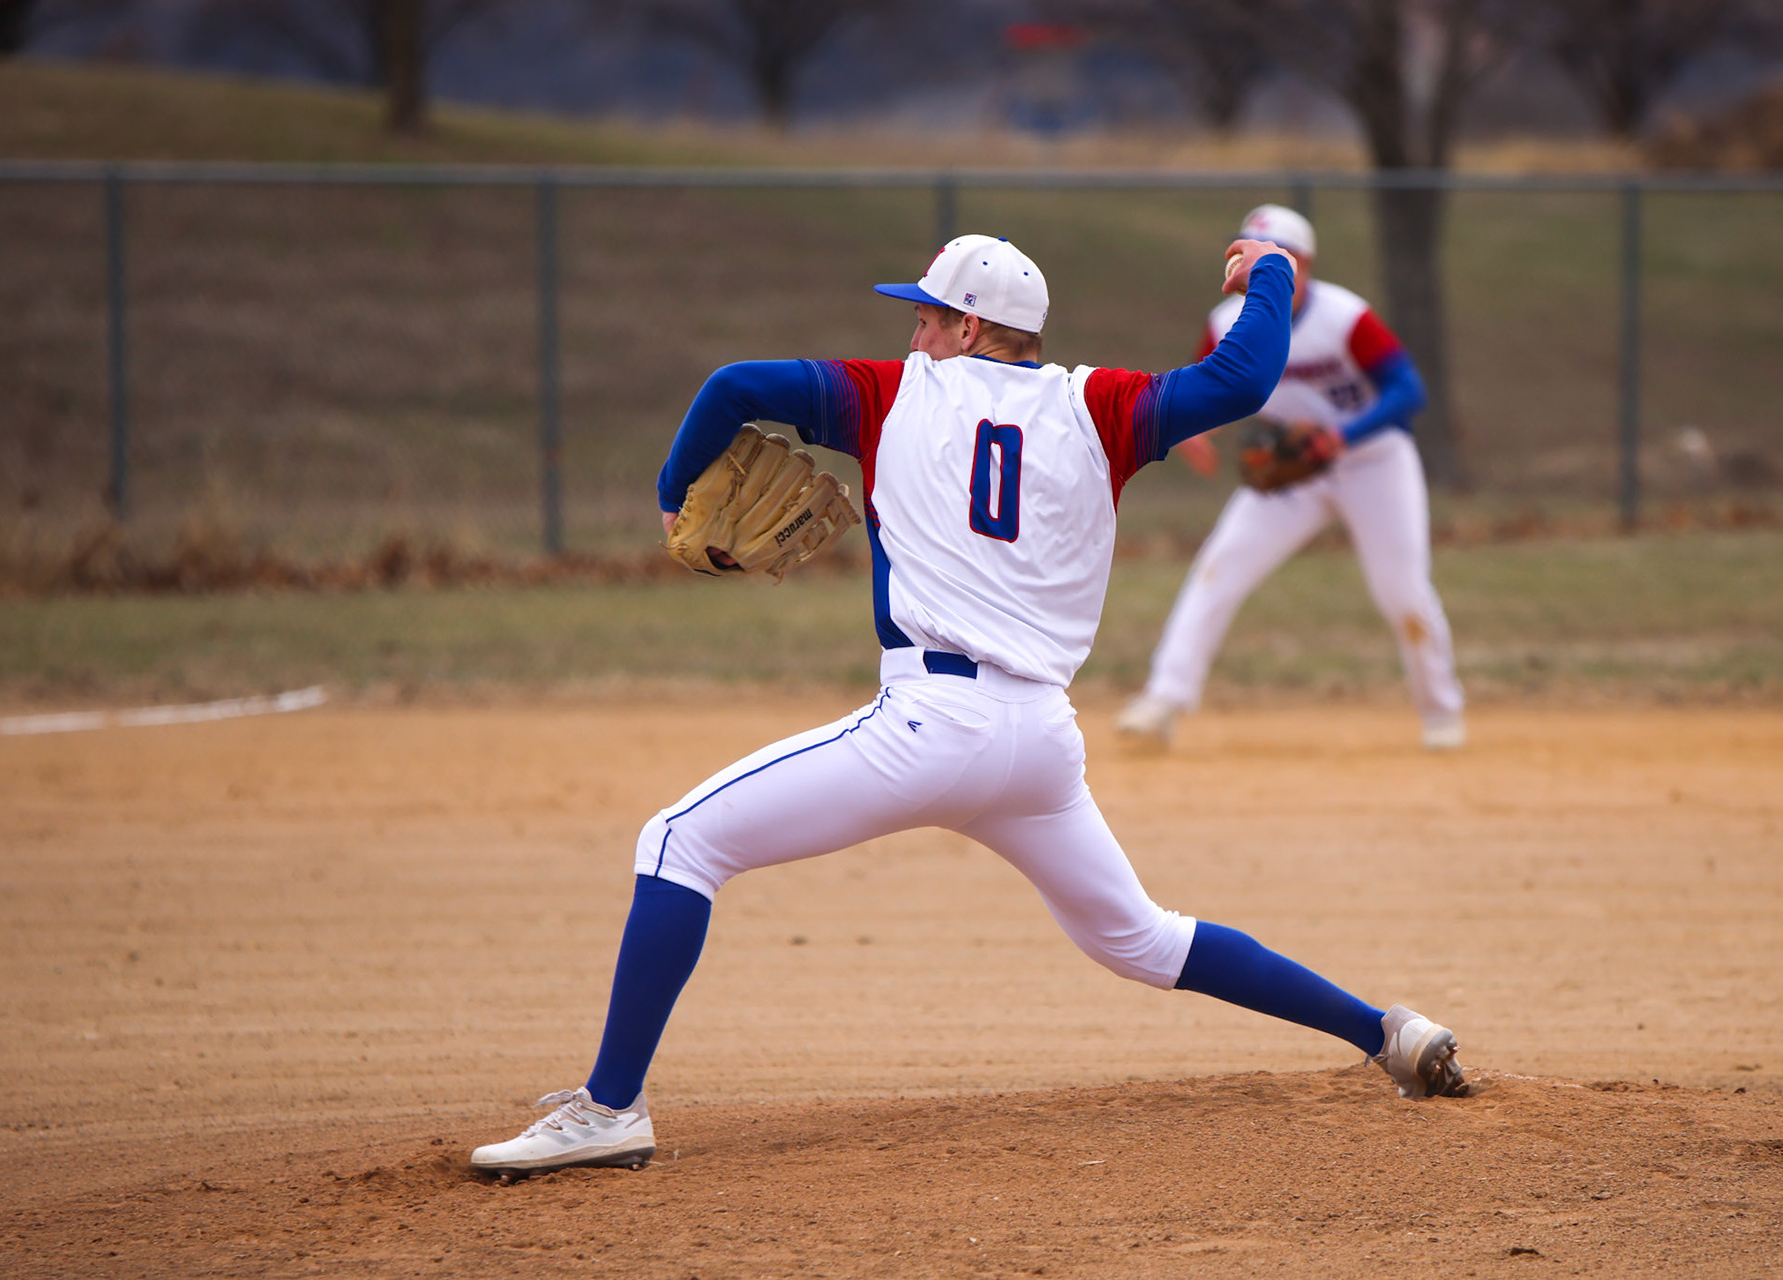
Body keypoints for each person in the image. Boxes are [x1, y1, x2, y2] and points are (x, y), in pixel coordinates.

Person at [471, 233, 1467, 1180]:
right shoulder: (1101, 406)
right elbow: (1240, 382)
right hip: (1039, 744)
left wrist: (670, 490)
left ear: (971, 326)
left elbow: (733, 387)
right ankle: (1387, 1032)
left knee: (676, 842)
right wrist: (1273, 275)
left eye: (927, 316)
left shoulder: (889, 393)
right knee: (1142, 938)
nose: (914, 333)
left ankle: (610, 1108)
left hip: (930, 726)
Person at [1117, 204, 1466, 752]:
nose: (1256, 263)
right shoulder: (1226, 322)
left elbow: (1407, 390)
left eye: (1276, 254)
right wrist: (1190, 430)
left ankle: (1441, 712)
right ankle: (1164, 698)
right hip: (1294, 471)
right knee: (1219, 569)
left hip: (1373, 463)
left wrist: (1343, 436)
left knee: (1402, 592)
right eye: (1247, 251)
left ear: (1304, 263)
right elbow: (1204, 385)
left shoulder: (1344, 317)